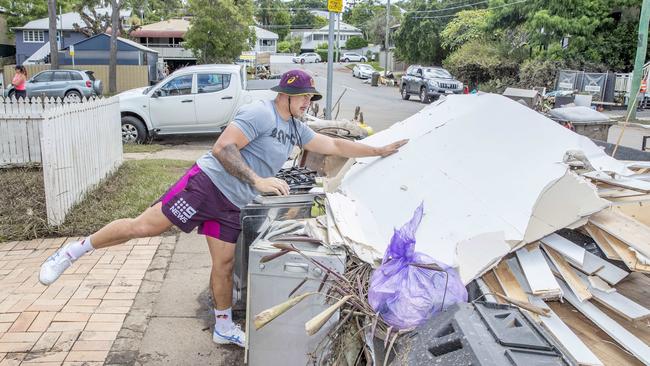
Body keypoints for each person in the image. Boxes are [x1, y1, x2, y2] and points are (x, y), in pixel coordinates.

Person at [38, 69, 408, 348]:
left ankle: (222, 325)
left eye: (309, 99)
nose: (308, 104)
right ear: (286, 96)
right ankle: (72, 251)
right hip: (206, 185)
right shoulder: (261, 113)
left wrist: (378, 149)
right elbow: (223, 148)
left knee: (225, 265)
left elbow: (334, 146)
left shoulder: (296, 127)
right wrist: (259, 181)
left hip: (232, 203)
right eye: (304, 98)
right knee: (143, 227)